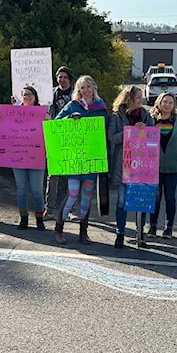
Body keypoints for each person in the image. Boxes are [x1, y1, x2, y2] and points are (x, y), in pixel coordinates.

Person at [52, 75, 109, 245]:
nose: (85, 90)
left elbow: (105, 129)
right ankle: (59, 228)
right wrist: (69, 120)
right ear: (78, 90)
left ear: (94, 88)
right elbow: (56, 124)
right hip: (75, 159)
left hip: (91, 158)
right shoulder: (72, 105)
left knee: (86, 196)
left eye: (88, 87)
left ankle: (83, 231)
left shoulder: (101, 107)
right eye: (82, 87)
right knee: (72, 194)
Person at [107, 85, 155, 249]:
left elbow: (152, 137)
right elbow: (112, 138)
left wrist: (144, 130)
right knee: (121, 201)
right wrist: (130, 131)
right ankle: (120, 232)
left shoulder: (146, 116)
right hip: (123, 165)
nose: (141, 100)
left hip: (142, 165)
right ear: (129, 99)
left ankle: (140, 233)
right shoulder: (116, 117)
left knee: (140, 200)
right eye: (138, 97)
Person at [146, 91, 177, 239]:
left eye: (170, 102)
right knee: (155, 197)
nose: (167, 104)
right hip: (154, 166)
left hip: (172, 167)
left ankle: (168, 227)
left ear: (174, 105)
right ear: (159, 102)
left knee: (169, 198)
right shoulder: (150, 119)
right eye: (164, 101)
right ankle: (152, 226)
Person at [10, 85, 48, 230]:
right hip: (18, 156)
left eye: (30, 93)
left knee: (37, 189)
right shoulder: (14, 112)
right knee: (21, 189)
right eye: (24, 94)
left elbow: (50, 132)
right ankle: (23, 218)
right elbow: (5, 129)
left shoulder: (42, 112)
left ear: (35, 96)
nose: (27, 96)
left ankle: (39, 219)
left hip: (36, 156)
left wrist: (48, 121)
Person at [43, 65, 75, 221]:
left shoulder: (76, 94)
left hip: (72, 139)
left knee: (70, 176)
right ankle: (49, 209)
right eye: (59, 77)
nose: (62, 80)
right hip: (54, 137)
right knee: (52, 176)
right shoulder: (50, 93)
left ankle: (68, 209)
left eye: (65, 77)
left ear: (70, 79)